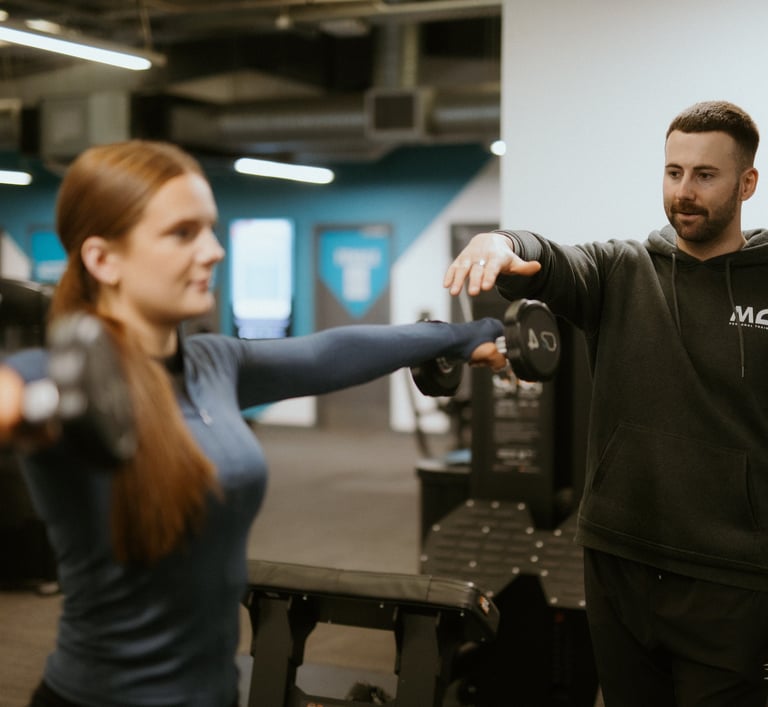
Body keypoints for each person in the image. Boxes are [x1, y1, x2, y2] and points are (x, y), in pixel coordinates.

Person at [0, 139, 508, 707]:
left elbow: (330, 353)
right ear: (102, 259)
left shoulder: (214, 364)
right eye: (183, 233)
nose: (214, 251)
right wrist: (32, 400)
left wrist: (461, 337)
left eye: (210, 230)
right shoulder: (53, 375)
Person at [443, 100, 768, 707]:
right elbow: (550, 261)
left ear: (746, 183)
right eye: (674, 172)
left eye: (705, 175)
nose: (684, 191)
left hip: (730, 579)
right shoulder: (621, 269)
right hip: (619, 560)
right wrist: (503, 240)